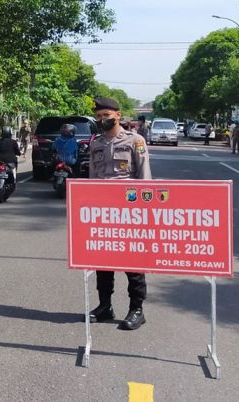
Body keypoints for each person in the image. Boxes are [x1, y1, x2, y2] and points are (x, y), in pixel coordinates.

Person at [88, 97, 151, 330]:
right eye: (99, 116)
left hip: (130, 213)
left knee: (132, 263)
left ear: (118, 114)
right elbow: (92, 180)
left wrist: (145, 212)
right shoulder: (96, 143)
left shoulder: (135, 141)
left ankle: (137, 309)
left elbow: (145, 178)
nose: (102, 119)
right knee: (103, 262)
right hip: (104, 213)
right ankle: (105, 306)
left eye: (106, 115)